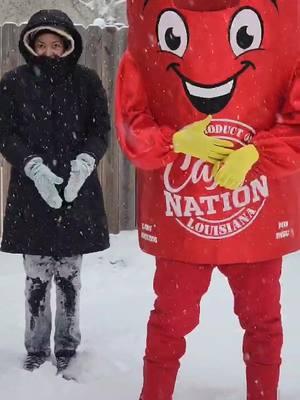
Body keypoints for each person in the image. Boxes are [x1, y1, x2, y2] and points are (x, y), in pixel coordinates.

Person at [116, 0, 300, 399]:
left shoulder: (289, 31)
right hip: (184, 213)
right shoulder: (143, 42)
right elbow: (132, 125)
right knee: (170, 321)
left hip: (258, 214)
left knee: (263, 323)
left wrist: (256, 154)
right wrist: (176, 140)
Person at [0, 9, 110, 374]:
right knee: (36, 276)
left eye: (56, 45)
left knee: (69, 277)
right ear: (31, 45)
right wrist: (31, 165)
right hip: (32, 194)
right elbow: (6, 133)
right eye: (42, 44)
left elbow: (99, 130)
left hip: (76, 193)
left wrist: (85, 161)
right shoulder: (13, 83)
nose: (49, 51)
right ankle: (36, 348)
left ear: (68, 46)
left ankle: (66, 346)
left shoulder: (87, 81)